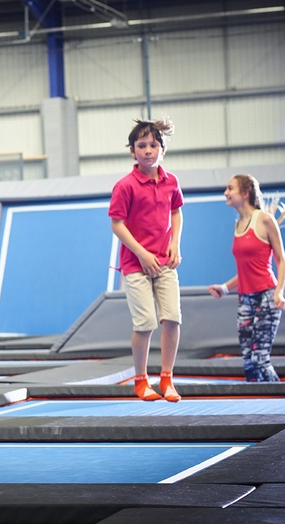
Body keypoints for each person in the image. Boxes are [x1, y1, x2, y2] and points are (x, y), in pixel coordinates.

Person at [109, 117, 184, 402]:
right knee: (145, 323)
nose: (148, 150)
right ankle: (141, 380)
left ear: (162, 150)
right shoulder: (125, 186)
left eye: (154, 145)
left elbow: (176, 212)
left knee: (173, 318)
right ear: (132, 151)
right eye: (142, 146)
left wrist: (175, 243)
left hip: (165, 261)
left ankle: (167, 379)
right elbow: (117, 224)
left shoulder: (171, 181)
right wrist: (142, 253)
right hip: (135, 265)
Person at [208, 174, 285, 382]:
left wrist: (279, 291)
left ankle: (282, 402)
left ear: (245, 193)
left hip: (267, 295)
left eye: (230, 188)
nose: (226, 192)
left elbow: (281, 259)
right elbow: (245, 269)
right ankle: (257, 410)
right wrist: (225, 288)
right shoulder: (238, 225)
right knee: (248, 362)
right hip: (245, 298)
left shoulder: (264, 219)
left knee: (260, 358)